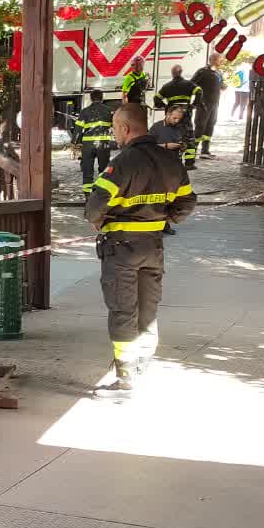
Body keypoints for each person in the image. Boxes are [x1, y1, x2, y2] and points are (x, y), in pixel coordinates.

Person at [83, 104, 196, 392]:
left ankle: (125, 376)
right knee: (148, 311)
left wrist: (98, 221)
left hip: (121, 248)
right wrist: (165, 218)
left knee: (123, 311)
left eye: (114, 128)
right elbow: (187, 203)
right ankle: (142, 366)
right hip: (153, 246)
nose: (114, 134)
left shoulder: (122, 163)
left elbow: (94, 208)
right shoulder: (171, 161)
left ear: (124, 128)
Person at [72, 88, 116, 187]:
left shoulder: (84, 111)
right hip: (103, 144)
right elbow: (115, 126)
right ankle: (102, 190)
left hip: (88, 145)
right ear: (102, 98)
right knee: (104, 169)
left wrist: (74, 143)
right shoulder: (109, 111)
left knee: (87, 170)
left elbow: (78, 129)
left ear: (91, 99)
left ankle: (87, 193)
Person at [150, 93, 197, 170]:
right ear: (168, 114)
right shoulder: (156, 127)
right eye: (175, 118)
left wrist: (183, 147)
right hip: (159, 166)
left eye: (179, 119)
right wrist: (166, 146)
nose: (177, 121)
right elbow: (147, 147)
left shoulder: (181, 128)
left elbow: (184, 147)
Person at [192, 53, 225, 158]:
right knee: (200, 126)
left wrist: (223, 86)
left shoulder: (219, 72)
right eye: (219, 60)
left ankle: (205, 150)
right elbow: (192, 84)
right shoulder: (202, 72)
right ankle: (192, 150)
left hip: (215, 104)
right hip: (204, 104)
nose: (221, 62)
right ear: (213, 60)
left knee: (210, 125)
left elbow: (221, 84)